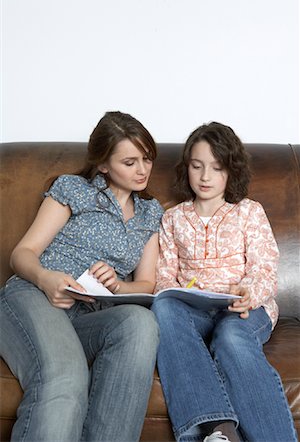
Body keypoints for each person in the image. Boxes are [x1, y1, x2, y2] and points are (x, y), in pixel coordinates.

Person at [0, 111, 164, 442]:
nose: (142, 169)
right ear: (103, 164)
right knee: (67, 375)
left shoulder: (151, 213)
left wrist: (118, 285)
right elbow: (22, 253)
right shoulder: (74, 189)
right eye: (130, 162)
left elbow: (147, 283)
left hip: (93, 313)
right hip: (35, 297)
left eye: (147, 159)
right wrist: (46, 279)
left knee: (141, 323)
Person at [151, 122, 297, 442]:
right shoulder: (172, 218)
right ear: (186, 167)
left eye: (216, 168)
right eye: (197, 166)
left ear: (231, 171)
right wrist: (180, 292)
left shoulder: (248, 212)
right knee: (163, 306)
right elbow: (164, 276)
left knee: (230, 335)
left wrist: (249, 293)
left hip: (244, 308)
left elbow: (264, 267)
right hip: (194, 310)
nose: (205, 177)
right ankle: (219, 431)